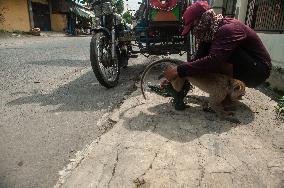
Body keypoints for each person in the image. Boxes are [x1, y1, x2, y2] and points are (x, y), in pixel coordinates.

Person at [155, 1, 271, 110]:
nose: (193, 32)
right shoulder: (210, 33)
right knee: (201, 63)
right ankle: (224, 94)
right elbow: (197, 60)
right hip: (248, 66)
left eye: (192, 27)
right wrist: (175, 76)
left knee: (217, 58)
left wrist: (178, 70)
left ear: (202, 20)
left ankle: (226, 99)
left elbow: (214, 60)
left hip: (258, 71)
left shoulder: (228, 29)